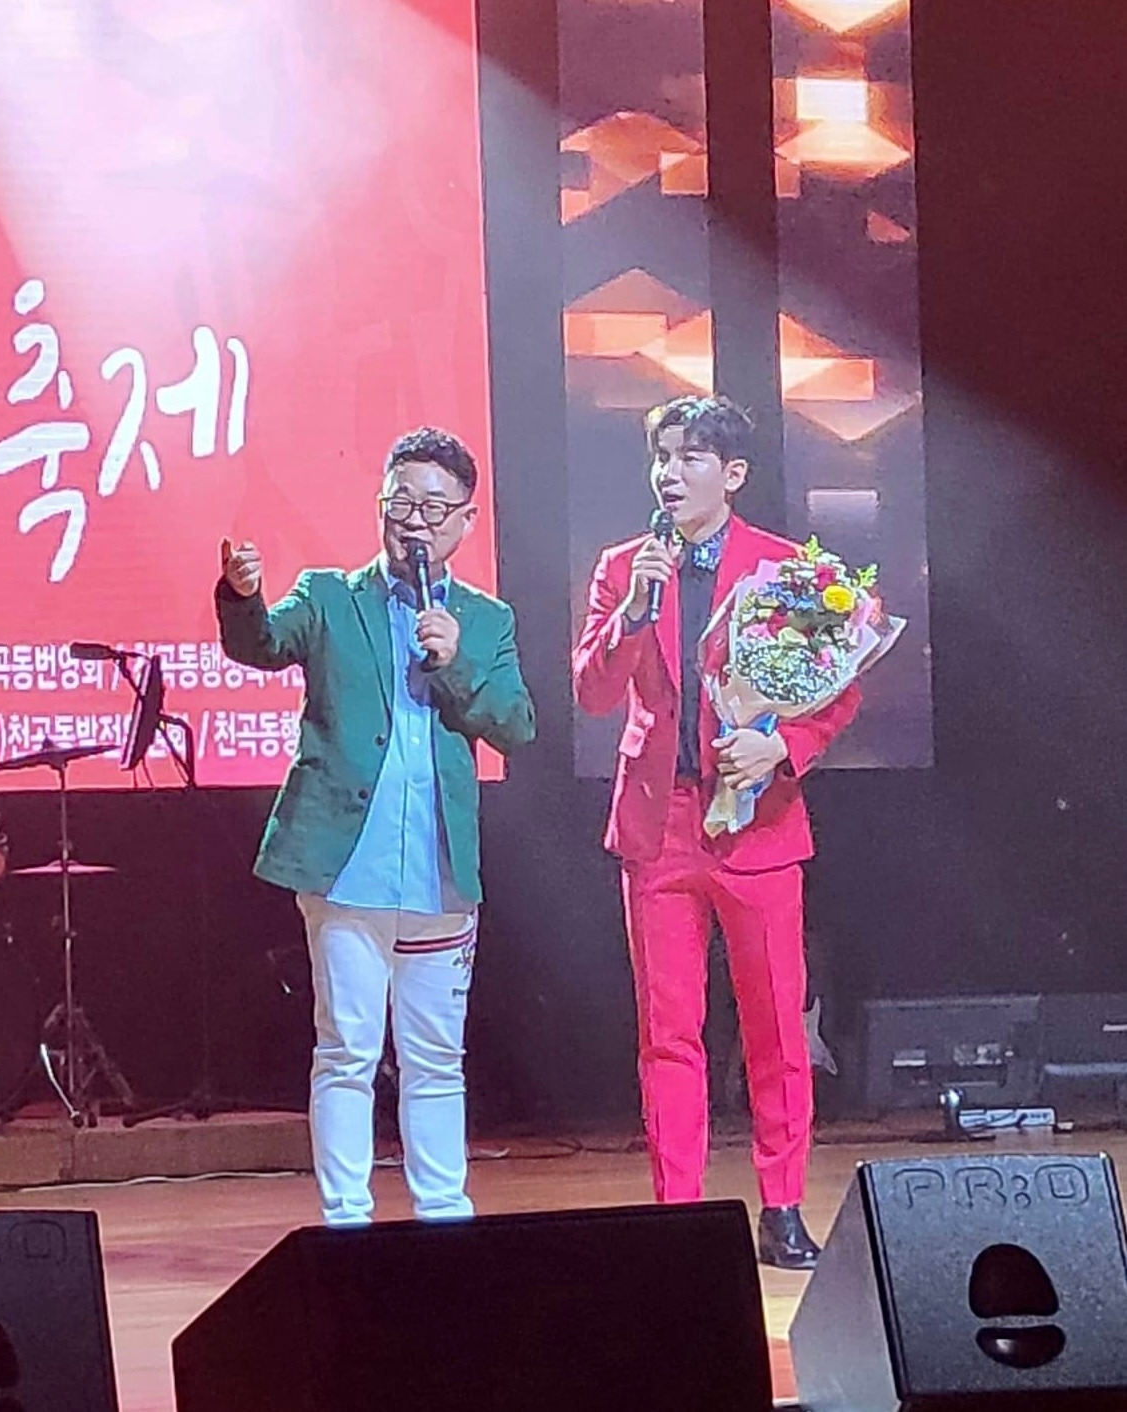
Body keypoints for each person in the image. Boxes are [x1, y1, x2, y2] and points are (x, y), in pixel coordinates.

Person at [216, 427, 535, 1227]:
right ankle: (347, 1221)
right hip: (345, 868)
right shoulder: (330, 596)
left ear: (465, 521)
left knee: (435, 1058)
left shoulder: (484, 619)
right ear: (380, 506)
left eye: (433, 508)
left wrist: (457, 660)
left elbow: (515, 725)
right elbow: (262, 643)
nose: (414, 523)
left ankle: (444, 1214)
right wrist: (241, 593)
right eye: (401, 503)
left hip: (438, 873)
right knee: (347, 1049)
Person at [572, 395, 860, 1269]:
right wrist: (634, 611)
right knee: (669, 1031)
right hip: (660, 826)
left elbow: (839, 688)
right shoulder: (624, 569)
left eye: (690, 458)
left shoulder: (784, 568)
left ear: (731, 474)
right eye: (663, 457)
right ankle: (680, 1218)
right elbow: (592, 692)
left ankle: (783, 1207)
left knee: (776, 1026)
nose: (670, 473)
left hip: (758, 823)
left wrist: (782, 746)